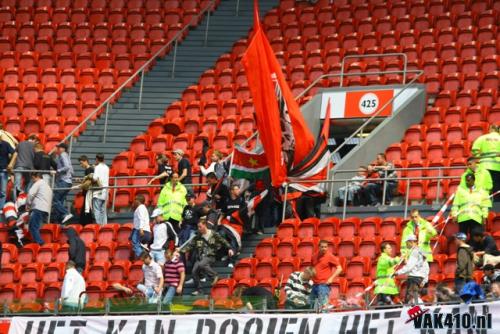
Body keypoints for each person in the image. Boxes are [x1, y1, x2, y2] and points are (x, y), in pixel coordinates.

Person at [180, 219, 234, 296]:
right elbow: (190, 246)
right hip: (200, 257)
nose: (199, 229)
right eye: (198, 227)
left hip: (210, 256)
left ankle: (215, 275)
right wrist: (181, 251)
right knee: (194, 272)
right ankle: (199, 290)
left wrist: (230, 248)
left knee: (201, 265)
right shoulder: (198, 236)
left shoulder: (213, 234)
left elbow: (223, 241)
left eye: (200, 227)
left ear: (205, 225)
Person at [451, 173, 491, 238]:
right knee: (462, 237)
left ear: (473, 180)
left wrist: (484, 216)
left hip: (476, 218)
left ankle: (474, 248)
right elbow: (455, 204)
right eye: (466, 180)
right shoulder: (460, 191)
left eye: (469, 180)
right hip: (463, 218)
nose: (467, 182)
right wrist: (454, 215)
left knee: (475, 238)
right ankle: (463, 248)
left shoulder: (481, 191)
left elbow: (484, 206)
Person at [395, 235, 429, 304]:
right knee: (414, 295)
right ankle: (416, 309)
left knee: (411, 296)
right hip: (419, 278)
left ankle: (414, 310)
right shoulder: (421, 251)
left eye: (407, 242)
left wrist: (397, 273)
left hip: (413, 278)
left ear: (411, 242)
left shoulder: (414, 252)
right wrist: (424, 280)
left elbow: (409, 266)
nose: (406, 244)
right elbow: (426, 267)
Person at [311, 240, 343, 310]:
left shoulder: (330, 256)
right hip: (314, 284)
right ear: (319, 247)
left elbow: (339, 268)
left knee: (323, 308)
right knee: (311, 307)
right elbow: (312, 269)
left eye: (325, 247)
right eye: (322, 247)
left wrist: (331, 278)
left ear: (327, 247)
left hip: (323, 285)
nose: (324, 248)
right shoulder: (314, 256)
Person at [157, 172, 187, 245]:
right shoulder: (165, 188)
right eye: (174, 177)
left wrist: (182, 218)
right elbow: (160, 203)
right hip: (166, 217)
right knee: (165, 238)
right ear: (171, 178)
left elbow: (185, 204)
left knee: (177, 238)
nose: (176, 179)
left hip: (177, 218)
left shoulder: (182, 188)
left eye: (177, 177)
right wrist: (159, 215)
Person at [472, 124, 500, 200]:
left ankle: (483, 203)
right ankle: (497, 205)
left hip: (484, 166)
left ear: (490, 129)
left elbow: (474, 150)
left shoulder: (482, 138)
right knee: (497, 187)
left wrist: (480, 156)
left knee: (484, 186)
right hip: (498, 167)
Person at [26, 173, 52, 245]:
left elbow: (30, 194)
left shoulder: (38, 183)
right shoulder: (47, 186)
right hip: (46, 210)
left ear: (35, 177)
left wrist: (28, 204)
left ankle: (40, 243)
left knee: (33, 226)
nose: (32, 180)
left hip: (38, 208)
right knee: (35, 226)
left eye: (32, 178)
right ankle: (37, 242)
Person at [51, 143, 74, 224]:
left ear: (63, 149)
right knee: (60, 202)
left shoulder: (63, 155)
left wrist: (58, 171)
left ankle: (66, 213)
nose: (58, 149)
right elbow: (71, 169)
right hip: (68, 182)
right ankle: (58, 221)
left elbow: (67, 167)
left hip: (64, 181)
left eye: (59, 148)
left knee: (55, 200)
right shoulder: (66, 155)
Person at [91, 153, 109, 226]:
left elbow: (95, 178)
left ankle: (98, 226)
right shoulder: (107, 167)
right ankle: (104, 225)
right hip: (105, 191)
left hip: (98, 191)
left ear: (97, 159)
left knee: (97, 210)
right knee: (103, 210)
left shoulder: (97, 167)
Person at [77, 155, 94, 226]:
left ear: (85, 161)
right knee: (87, 209)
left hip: (88, 192)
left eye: (81, 163)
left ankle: (86, 224)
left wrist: (79, 184)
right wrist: (81, 181)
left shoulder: (89, 169)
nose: (81, 165)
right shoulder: (89, 169)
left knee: (86, 209)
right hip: (88, 192)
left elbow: (88, 183)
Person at [0, 134, 15, 210]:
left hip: (3, 170)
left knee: (3, 191)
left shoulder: (5, 144)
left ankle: (0, 208)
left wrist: (11, 163)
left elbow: (15, 153)